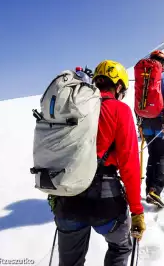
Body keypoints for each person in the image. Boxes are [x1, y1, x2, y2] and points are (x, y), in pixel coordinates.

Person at [52, 60, 145, 266]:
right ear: (118, 86)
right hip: (106, 202)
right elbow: (129, 166)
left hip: (68, 199)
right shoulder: (120, 110)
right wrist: (137, 211)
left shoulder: (74, 108)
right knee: (121, 247)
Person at [139, 50, 164, 208]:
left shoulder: (144, 76)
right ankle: (155, 190)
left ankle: (148, 189)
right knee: (161, 156)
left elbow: (138, 100)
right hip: (160, 121)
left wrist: (139, 121)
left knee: (152, 155)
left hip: (145, 122)